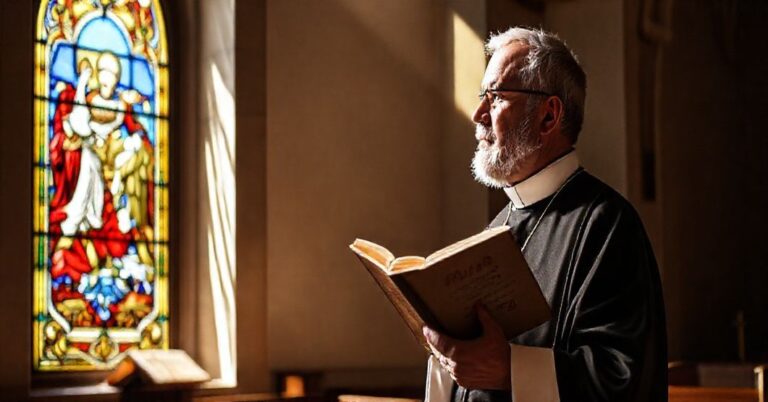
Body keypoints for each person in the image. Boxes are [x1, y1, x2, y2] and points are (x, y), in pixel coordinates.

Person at [422, 27, 667, 402]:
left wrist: (509, 371)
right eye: (481, 96)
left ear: (549, 115)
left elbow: (624, 377)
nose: (478, 114)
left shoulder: (607, 225)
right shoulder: (497, 227)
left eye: (496, 96)